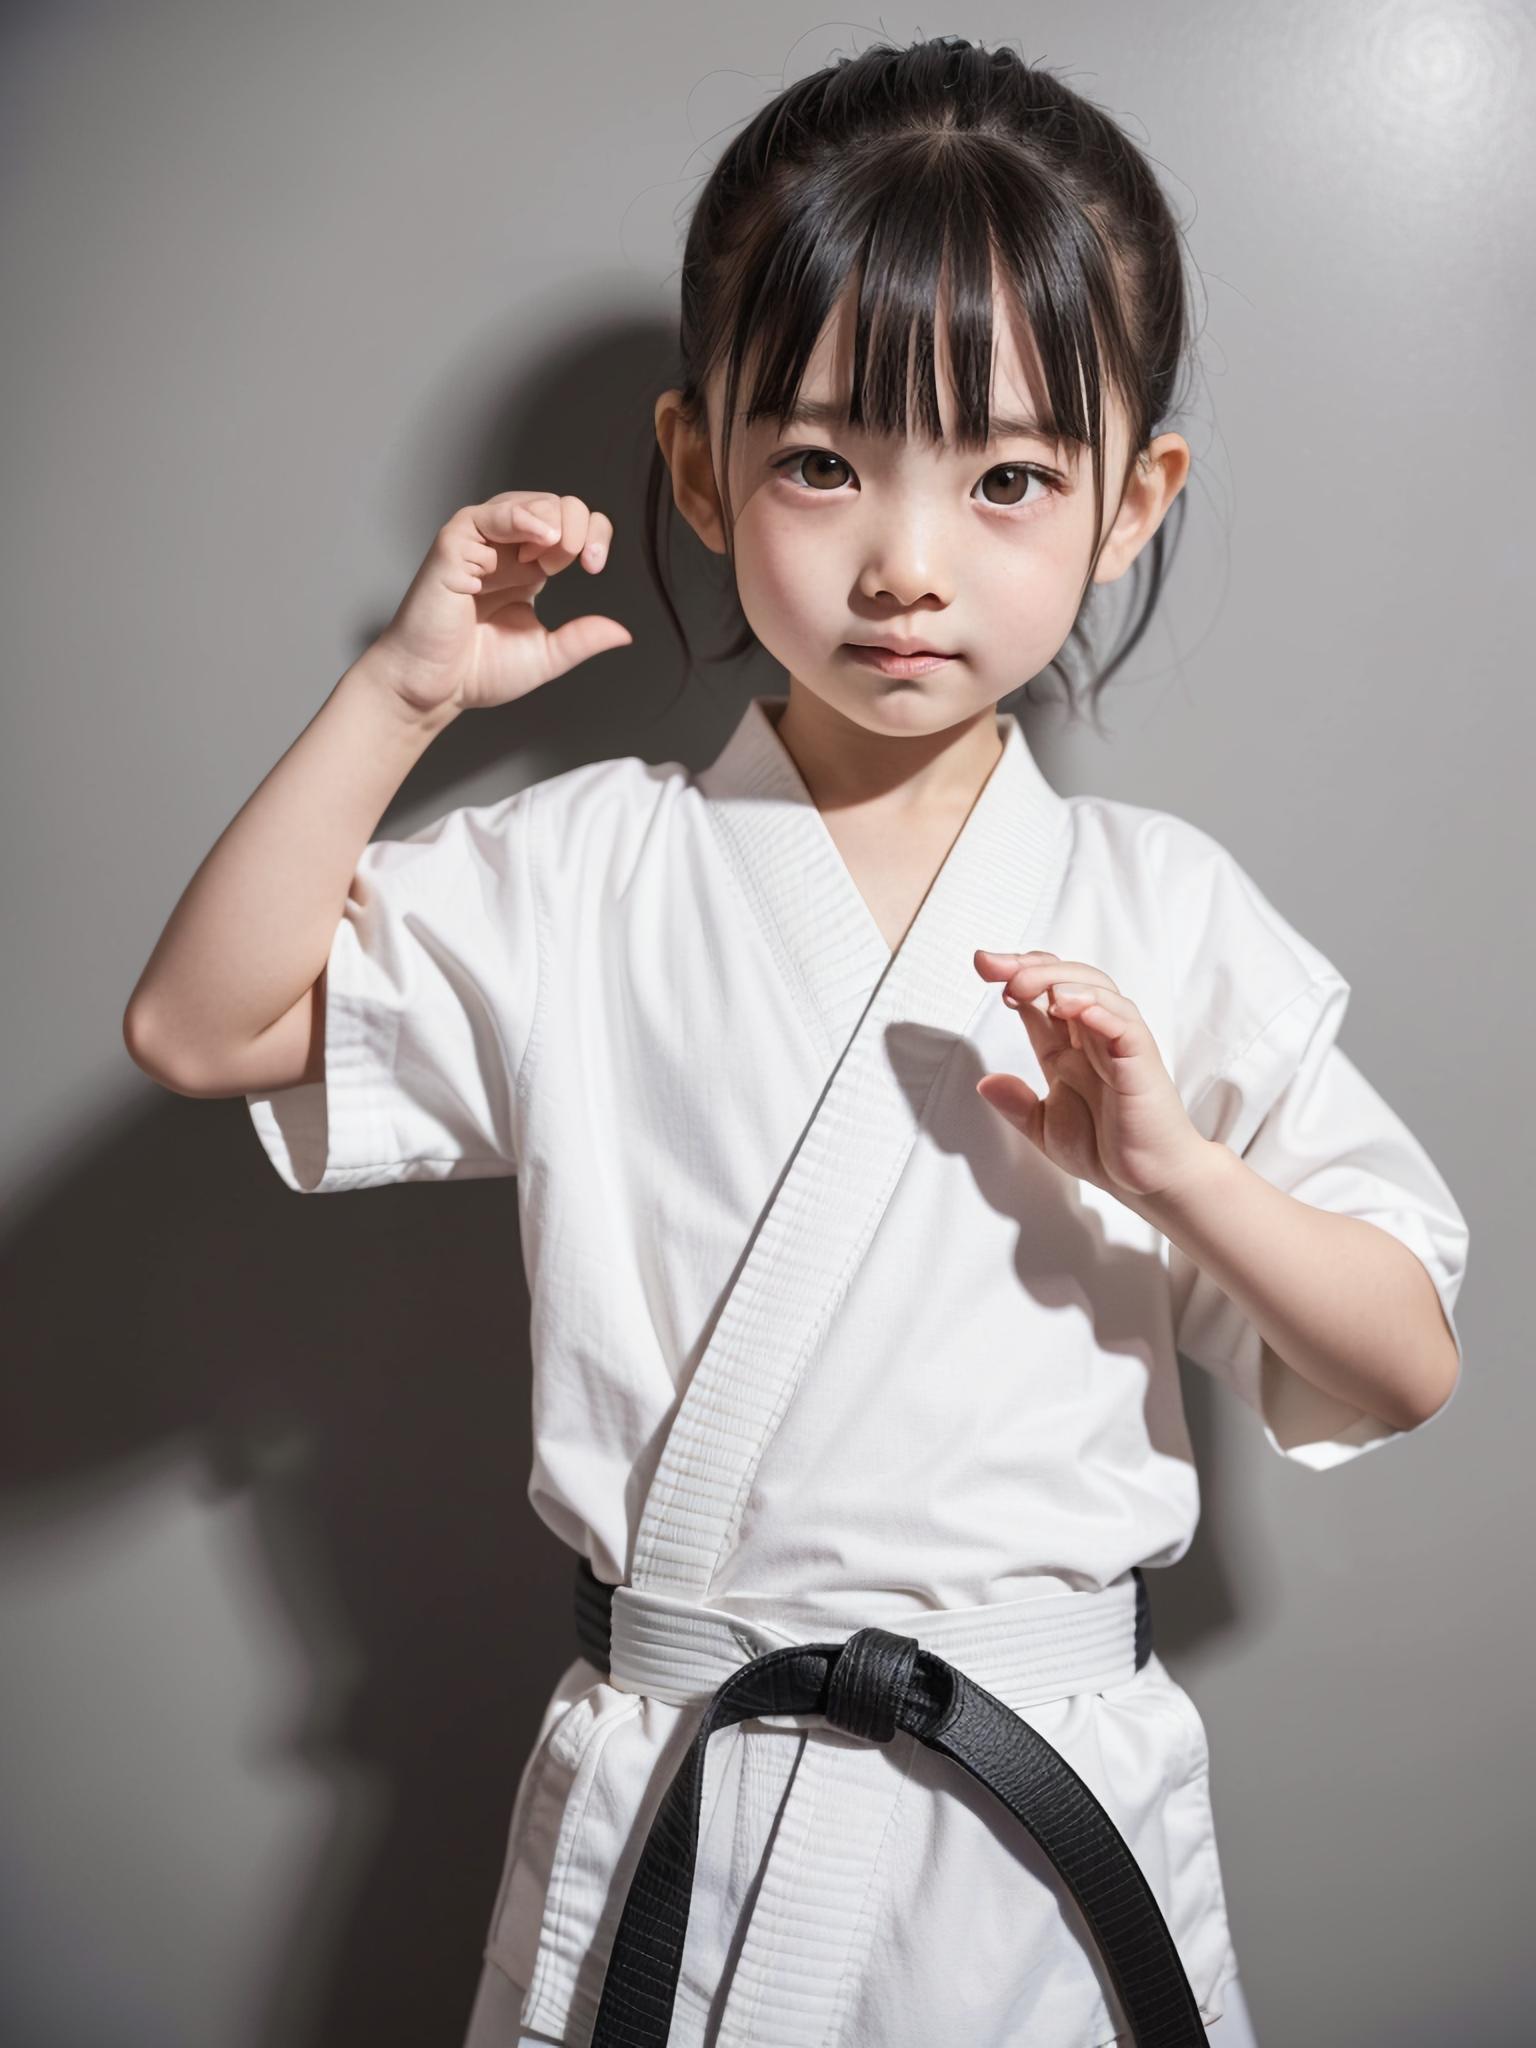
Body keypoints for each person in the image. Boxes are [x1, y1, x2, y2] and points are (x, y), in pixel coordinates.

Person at [122, 35, 1468, 2048]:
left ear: (1133, 501)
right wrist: (400, 695)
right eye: (826, 463)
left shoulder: (1167, 909)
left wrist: (1178, 1175)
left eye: (1008, 479)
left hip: (1037, 1819)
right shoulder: (583, 875)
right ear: (698, 467)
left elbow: (1402, 1360)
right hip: (686, 1785)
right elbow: (199, 1023)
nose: (907, 563)